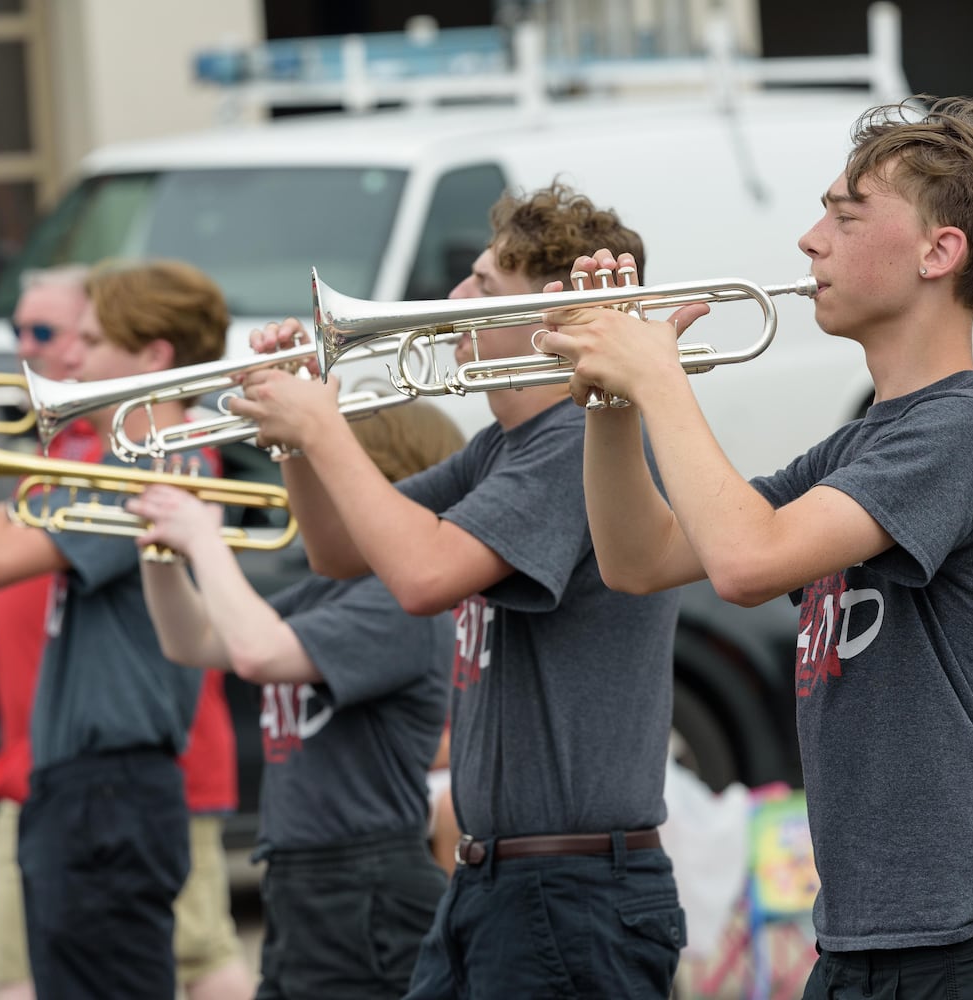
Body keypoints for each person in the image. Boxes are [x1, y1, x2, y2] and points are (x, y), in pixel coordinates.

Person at [540, 97, 973, 997]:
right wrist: (613, 405)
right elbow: (640, 560)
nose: (809, 240)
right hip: (858, 942)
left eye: (845, 215)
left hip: (964, 950)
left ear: (939, 254)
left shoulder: (965, 429)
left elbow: (746, 562)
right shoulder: (864, 440)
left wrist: (660, 376)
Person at [227, 182, 687, 998]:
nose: (452, 301)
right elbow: (339, 553)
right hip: (497, 879)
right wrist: (297, 440)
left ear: (549, 310)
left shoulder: (571, 443)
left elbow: (423, 576)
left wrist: (325, 428)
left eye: (482, 285)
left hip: (570, 888)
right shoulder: (499, 449)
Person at [0, 259, 233, 1000]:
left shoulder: (155, 466)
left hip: (112, 787)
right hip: (84, 784)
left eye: (93, 340)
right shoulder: (116, 458)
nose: (73, 357)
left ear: (154, 357)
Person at [127, 400, 466, 999]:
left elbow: (257, 652)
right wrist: (158, 547)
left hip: (365, 880)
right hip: (299, 876)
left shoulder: (400, 605)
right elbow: (193, 641)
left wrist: (206, 542)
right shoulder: (327, 592)